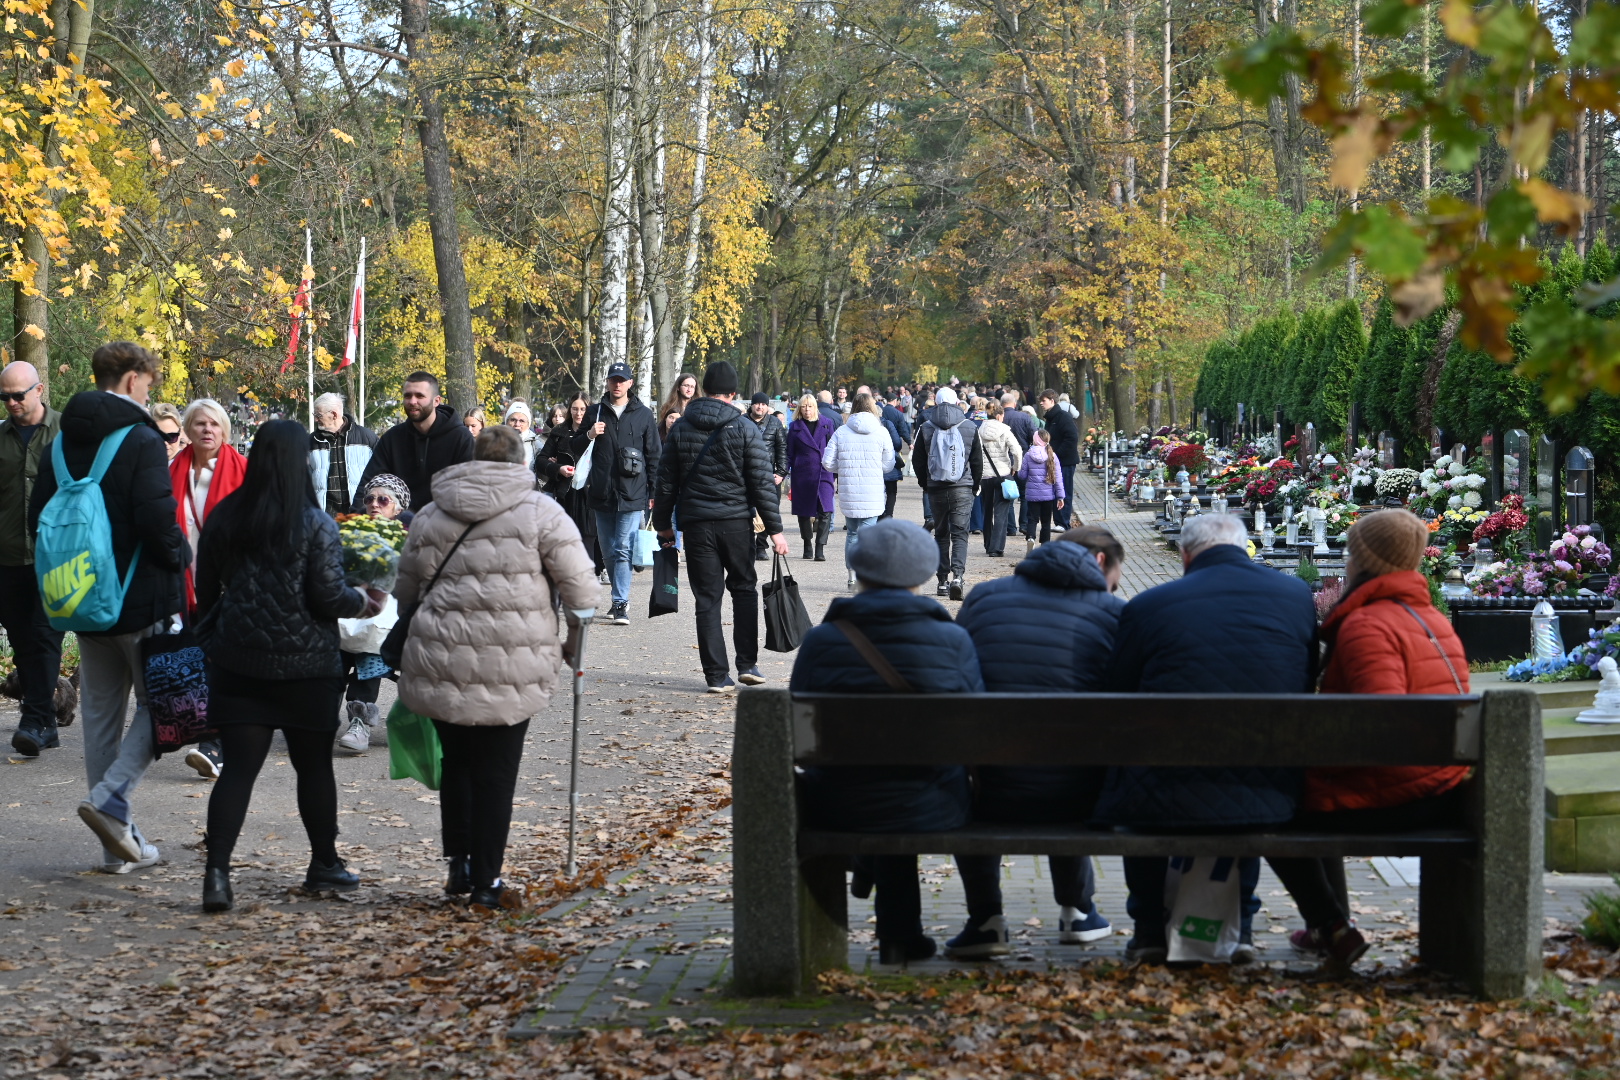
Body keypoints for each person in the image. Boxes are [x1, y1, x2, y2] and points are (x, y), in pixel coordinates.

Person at [1094, 513, 1317, 965]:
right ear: (1244, 545)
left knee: (1140, 784)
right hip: (1267, 784)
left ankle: (1149, 932)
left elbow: (1120, 691)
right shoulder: (1295, 595)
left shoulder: (1148, 605)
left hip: (1161, 785)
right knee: (1248, 777)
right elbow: (1305, 677)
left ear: (1185, 555)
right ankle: (1242, 932)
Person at [398, 424, 598, 906]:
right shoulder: (542, 512)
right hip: (515, 663)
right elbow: (584, 593)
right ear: (519, 462)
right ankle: (488, 880)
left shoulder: (432, 512)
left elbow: (405, 589)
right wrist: (571, 641)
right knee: (496, 775)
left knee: (458, 767)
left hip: (443, 657)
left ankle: (459, 867)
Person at [193, 420, 387, 912]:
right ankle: (324, 862)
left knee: (237, 771)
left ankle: (216, 875)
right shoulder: (315, 523)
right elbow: (326, 596)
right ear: (301, 462)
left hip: (239, 664)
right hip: (307, 668)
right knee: (314, 768)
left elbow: (206, 590)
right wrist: (363, 600)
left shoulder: (225, 517)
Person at [1267, 511, 1465, 968]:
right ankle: (1329, 926)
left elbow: (1381, 726)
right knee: (1307, 793)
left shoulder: (1369, 625)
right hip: (1440, 781)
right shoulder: (1431, 616)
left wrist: (1314, 759)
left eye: (1351, 552)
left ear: (1364, 560)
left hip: (1402, 793)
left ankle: (1332, 926)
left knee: (1269, 807)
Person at [29, 343, 188, 873]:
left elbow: (39, 518)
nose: (150, 390)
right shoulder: (140, 439)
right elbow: (156, 518)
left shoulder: (61, 440)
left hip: (84, 602)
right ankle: (111, 799)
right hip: (141, 600)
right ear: (131, 378)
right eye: (148, 381)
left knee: (99, 717)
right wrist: (181, 554)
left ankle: (115, 849)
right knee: (160, 705)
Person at [793, 518, 979, 963]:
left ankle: (878, 882)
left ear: (859, 569)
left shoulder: (821, 640)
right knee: (903, 787)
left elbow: (799, 733)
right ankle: (899, 932)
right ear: (923, 573)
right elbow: (973, 728)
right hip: (934, 802)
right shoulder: (952, 639)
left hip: (838, 802)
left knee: (878, 789)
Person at [945, 526, 1124, 957]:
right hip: (1082, 798)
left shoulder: (984, 598)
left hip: (988, 792)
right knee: (1075, 754)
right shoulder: (1112, 612)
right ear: (1100, 563)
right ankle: (1078, 910)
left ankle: (986, 919)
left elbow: (959, 681)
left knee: (978, 763)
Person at [652, 362, 787, 693]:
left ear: (704, 390)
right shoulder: (744, 427)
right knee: (743, 588)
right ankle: (748, 664)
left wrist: (663, 526)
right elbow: (761, 484)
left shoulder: (681, 428)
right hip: (735, 523)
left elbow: (665, 482)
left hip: (696, 525)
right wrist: (775, 529)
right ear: (733, 394)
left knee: (707, 598)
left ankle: (716, 675)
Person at [170, 398, 249, 781]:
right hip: (183, 584)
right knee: (195, 662)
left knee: (218, 663)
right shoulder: (172, 471)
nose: (207, 430)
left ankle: (213, 744)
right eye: (199, 423)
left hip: (226, 585)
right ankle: (213, 737)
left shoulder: (244, 472)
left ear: (225, 431)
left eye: (214, 424)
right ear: (187, 429)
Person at [1, 361, 65, 757]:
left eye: (17, 395)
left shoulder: (69, 433)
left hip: (57, 557)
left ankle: (34, 719)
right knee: (23, 641)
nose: (10, 402)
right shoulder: (1, 437)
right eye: (3, 396)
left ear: (39, 390)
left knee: (45, 636)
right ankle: (46, 723)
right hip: (8, 557)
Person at [570, 361, 660, 626]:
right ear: (607, 382)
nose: (617, 384)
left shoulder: (643, 414)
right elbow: (575, 447)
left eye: (622, 380)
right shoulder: (595, 412)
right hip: (600, 492)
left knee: (622, 548)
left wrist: (654, 491)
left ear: (630, 383)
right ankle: (617, 598)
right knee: (608, 549)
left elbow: (654, 454)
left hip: (633, 494)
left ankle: (621, 602)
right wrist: (588, 434)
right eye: (613, 379)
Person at [335, 473, 412, 754]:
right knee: (332, 652)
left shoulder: (408, 537)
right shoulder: (350, 532)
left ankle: (360, 722)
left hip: (390, 613)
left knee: (371, 644)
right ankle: (322, 717)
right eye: (369, 499)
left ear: (398, 508)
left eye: (383, 499)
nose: (375, 504)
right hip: (349, 606)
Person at [354, 371, 475, 514]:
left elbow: (470, 489)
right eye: (407, 396)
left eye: (420, 396)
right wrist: (354, 521)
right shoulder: (393, 438)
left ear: (436, 401)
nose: (412, 401)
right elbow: (368, 483)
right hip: (399, 526)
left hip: (444, 524)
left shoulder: (460, 438)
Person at [911, 386, 983, 600]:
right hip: (962, 487)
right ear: (956, 403)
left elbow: (918, 460)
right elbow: (977, 461)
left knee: (941, 533)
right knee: (960, 533)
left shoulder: (925, 427)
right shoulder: (969, 426)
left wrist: (926, 483)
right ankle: (958, 577)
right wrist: (975, 484)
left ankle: (942, 580)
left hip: (936, 488)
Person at [821, 393, 894, 588]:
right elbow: (889, 464)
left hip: (849, 490)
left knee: (852, 533)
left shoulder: (842, 432)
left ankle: (852, 575)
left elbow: (827, 462)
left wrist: (843, 467)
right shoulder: (881, 432)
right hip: (872, 491)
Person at [536, 393, 604, 580]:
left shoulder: (597, 431)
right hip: (566, 493)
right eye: (575, 409)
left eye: (583, 409)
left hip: (590, 493)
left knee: (588, 538)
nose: (579, 413)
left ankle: (587, 583)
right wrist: (558, 468)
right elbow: (540, 461)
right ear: (569, 410)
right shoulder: (560, 432)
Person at [308, 392, 378, 516]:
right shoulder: (310, 442)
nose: (315, 419)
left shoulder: (367, 438)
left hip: (359, 514)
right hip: (324, 516)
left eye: (318, 415)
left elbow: (381, 476)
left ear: (334, 414)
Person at [786, 394, 836, 560]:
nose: (807, 409)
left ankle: (820, 548)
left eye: (810, 406)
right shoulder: (795, 427)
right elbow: (789, 453)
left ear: (816, 407)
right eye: (803, 406)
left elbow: (834, 449)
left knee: (826, 510)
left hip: (824, 472)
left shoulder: (827, 424)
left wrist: (835, 473)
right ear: (799, 408)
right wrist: (784, 473)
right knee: (804, 512)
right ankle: (807, 543)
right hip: (803, 474)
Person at [977, 402, 1022, 558]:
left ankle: (988, 544)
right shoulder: (1005, 430)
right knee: (1001, 512)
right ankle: (996, 548)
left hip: (985, 476)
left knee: (987, 511)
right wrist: (1016, 467)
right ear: (999, 415)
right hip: (1002, 474)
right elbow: (1017, 451)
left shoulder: (979, 430)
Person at [748, 392, 788, 561]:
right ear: (752, 405)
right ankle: (748, 545)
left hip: (769, 476)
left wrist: (780, 473)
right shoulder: (742, 421)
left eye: (763, 404)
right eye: (757, 404)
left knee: (769, 511)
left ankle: (761, 546)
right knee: (747, 512)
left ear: (767, 406)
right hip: (746, 476)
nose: (760, 407)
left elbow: (782, 450)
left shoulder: (774, 423)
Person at [1037, 389, 1080, 528]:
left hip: (1065, 462)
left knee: (1064, 490)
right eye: (1040, 401)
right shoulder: (1051, 418)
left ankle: (1063, 522)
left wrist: (1056, 455)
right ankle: (1058, 521)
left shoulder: (1063, 417)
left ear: (1052, 400)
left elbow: (1072, 438)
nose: (1041, 404)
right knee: (1055, 490)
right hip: (1055, 461)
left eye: (1044, 401)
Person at [1018, 428, 1065, 548]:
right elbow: (1058, 478)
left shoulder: (1028, 455)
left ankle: (1031, 538)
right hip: (1048, 495)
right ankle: (1045, 544)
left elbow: (1022, 475)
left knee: (1032, 519)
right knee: (1046, 521)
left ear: (1035, 440)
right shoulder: (1052, 455)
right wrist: (1060, 497)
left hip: (1032, 495)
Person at [658, 372, 697, 441]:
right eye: (686, 386)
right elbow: (662, 430)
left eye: (692, 387)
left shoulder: (698, 408)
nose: (689, 389)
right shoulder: (668, 406)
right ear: (678, 387)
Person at [503, 400, 537, 466]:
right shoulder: (497, 440)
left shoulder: (535, 442)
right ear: (506, 422)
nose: (517, 424)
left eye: (521, 421)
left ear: (528, 424)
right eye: (513, 420)